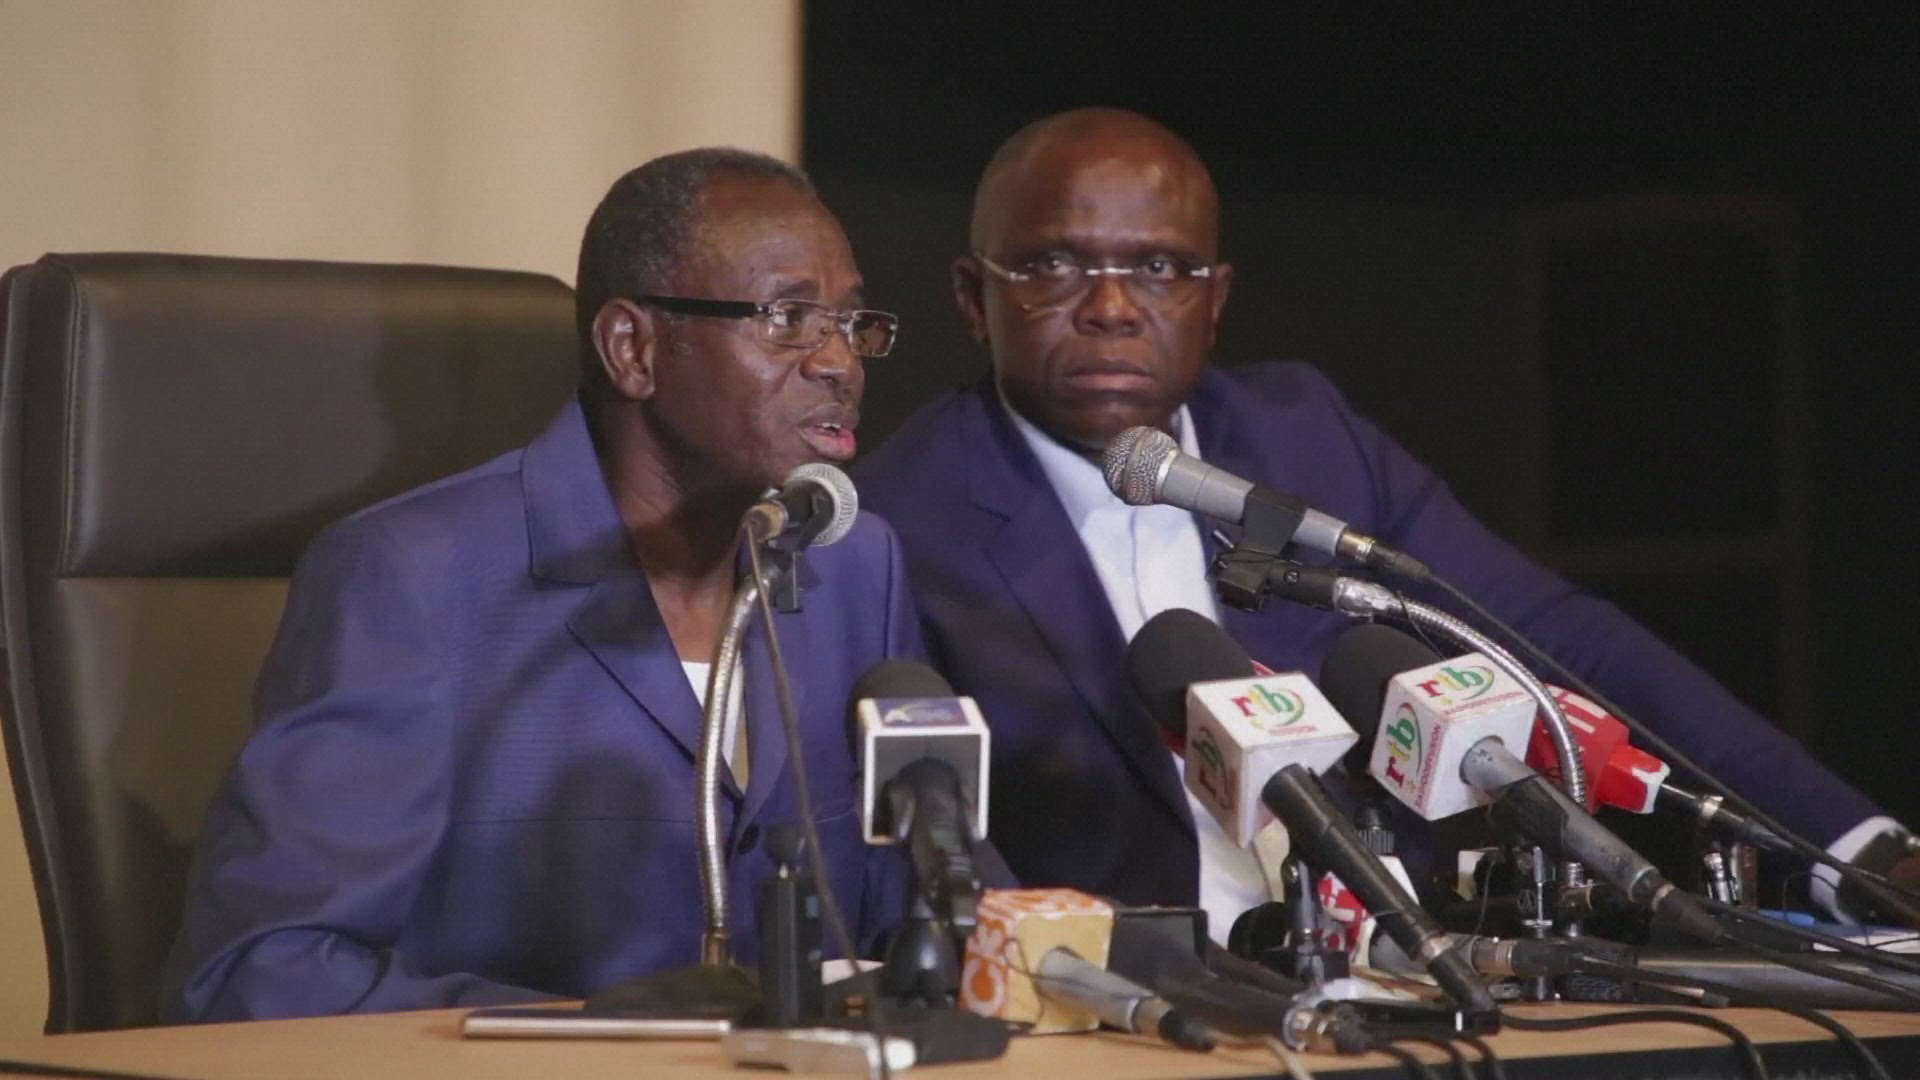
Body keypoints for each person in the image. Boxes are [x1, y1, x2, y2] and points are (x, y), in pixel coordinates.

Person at [855, 107, 1914, 936]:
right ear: (972, 297)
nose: (1113, 306)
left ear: (1215, 301)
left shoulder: (1303, 438)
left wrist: (1854, 849)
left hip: (1394, 970)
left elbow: (1561, 644)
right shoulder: (908, 515)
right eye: (1054, 265)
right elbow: (921, 835)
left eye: (1162, 268)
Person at [164, 148, 921, 1020]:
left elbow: (926, 902)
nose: (841, 362)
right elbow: (259, 971)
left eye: (852, 322)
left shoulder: (855, 567)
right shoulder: (411, 579)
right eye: (789, 318)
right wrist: (601, 1038)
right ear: (633, 349)